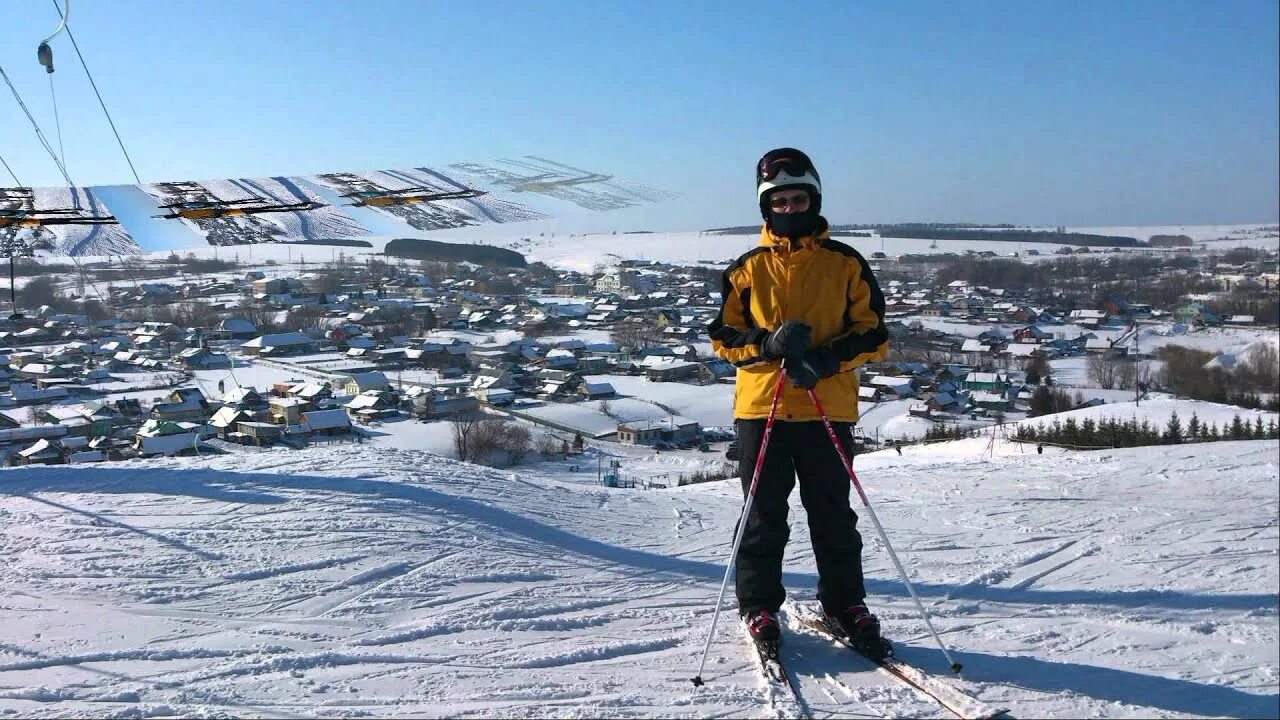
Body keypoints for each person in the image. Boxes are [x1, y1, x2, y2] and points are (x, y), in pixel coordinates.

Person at [708, 148, 890, 655]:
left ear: (814, 199)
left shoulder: (845, 263)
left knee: (832, 513)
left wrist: (826, 360)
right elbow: (724, 337)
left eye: (798, 199)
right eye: (780, 201)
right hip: (762, 407)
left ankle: (844, 603)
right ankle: (758, 605)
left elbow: (875, 334)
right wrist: (767, 345)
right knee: (762, 516)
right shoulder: (746, 269)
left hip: (824, 406)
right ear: (767, 208)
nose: (790, 209)